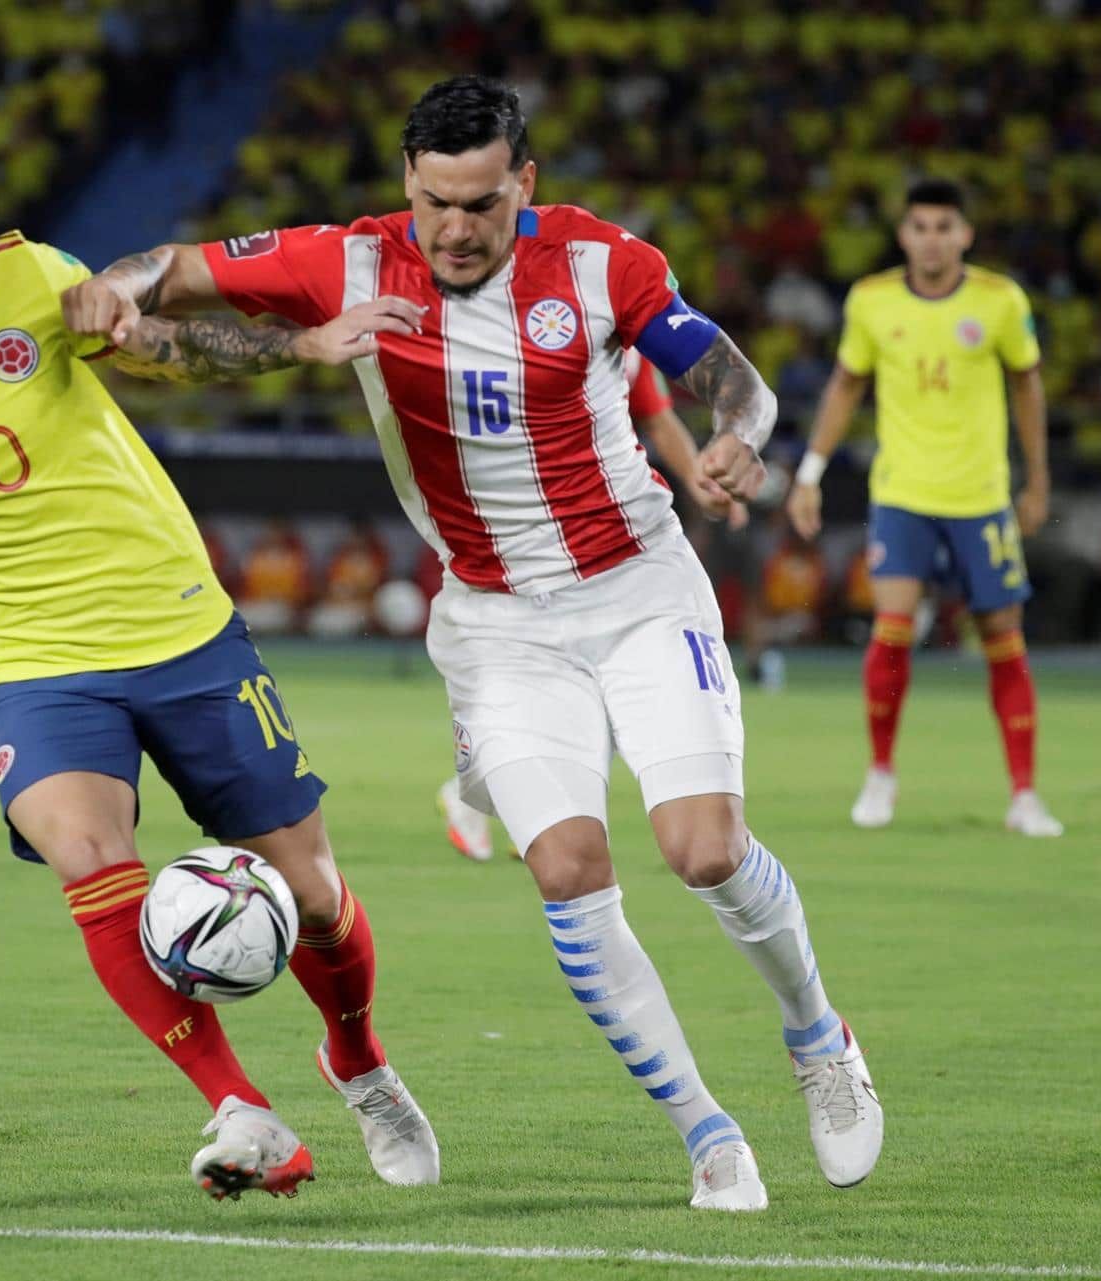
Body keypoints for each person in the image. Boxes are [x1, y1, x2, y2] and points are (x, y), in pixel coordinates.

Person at [66, 74, 882, 1211]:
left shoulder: (600, 262)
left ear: (524, 184)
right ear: (408, 182)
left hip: (640, 589)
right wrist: (113, 287)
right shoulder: (348, 261)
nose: (455, 228)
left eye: (483, 204)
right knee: (567, 870)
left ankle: (818, 1037)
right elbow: (170, 272)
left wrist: (741, 433)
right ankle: (707, 1132)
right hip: (496, 623)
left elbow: (726, 375)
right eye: (435, 202)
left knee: (704, 850)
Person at [0, 139, 439, 1201]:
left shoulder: (29, 275)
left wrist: (300, 345)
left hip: (180, 628)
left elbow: (161, 351)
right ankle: (241, 1110)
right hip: (37, 666)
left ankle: (360, 1062)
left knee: (311, 893)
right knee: (92, 860)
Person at [787, 179, 1062, 836]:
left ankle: (1024, 794)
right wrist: (809, 473)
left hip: (980, 496)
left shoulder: (999, 300)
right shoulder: (871, 300)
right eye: (920, 227)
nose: (932, 239)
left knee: (1003, 639)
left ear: (965, 234)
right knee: (893, 626)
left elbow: (1027, 388)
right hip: (903, 494)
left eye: (944, 227)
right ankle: (880, 774)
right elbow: (845, 386)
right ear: (903, 235)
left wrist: (1037, 480)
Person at [439, 350, 751, 862]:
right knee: (562, 690)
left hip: (601, 549)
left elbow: (657, 415)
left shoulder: (622, 338)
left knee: (600, 691)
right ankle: (488, 795)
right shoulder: (522, 335)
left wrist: (701, 480)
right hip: (522, 544)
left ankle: (520, 805)